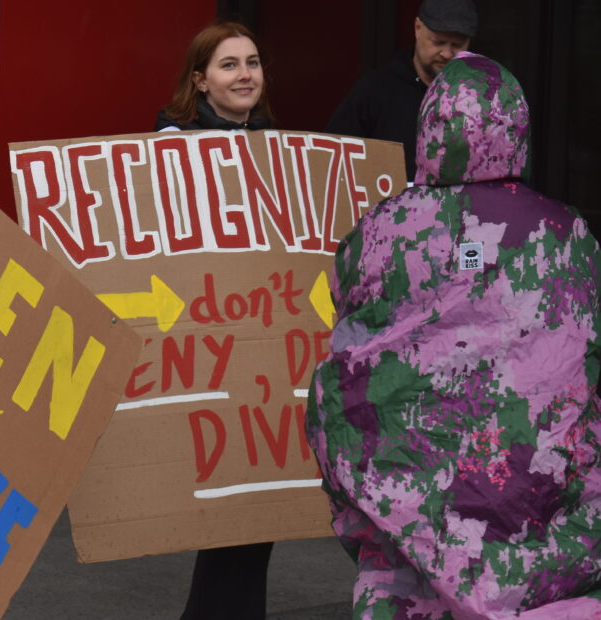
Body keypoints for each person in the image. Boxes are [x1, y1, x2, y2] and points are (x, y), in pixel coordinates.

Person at [307, 52, 601, 617]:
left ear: (430, 130)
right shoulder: (567, 233)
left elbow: (353, 316)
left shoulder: (385, 229)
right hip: (530, 479)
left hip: (412, 470)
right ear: (518, 129)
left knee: (405, 586)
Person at [155, 21, 274, 620]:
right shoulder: (167, 147)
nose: (246, 74)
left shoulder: (279, 148)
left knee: (259, 500)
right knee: (228, 499)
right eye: (229, 65)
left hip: (262, 342)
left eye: (252, 62)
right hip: (203, 344)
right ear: (200, 80)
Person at [325, 0, 477, 180]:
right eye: (438, 42)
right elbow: (332, 159)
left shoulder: (479, 96)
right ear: (417, 28)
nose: (446, 53)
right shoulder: (375, 89)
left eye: (457, 45)